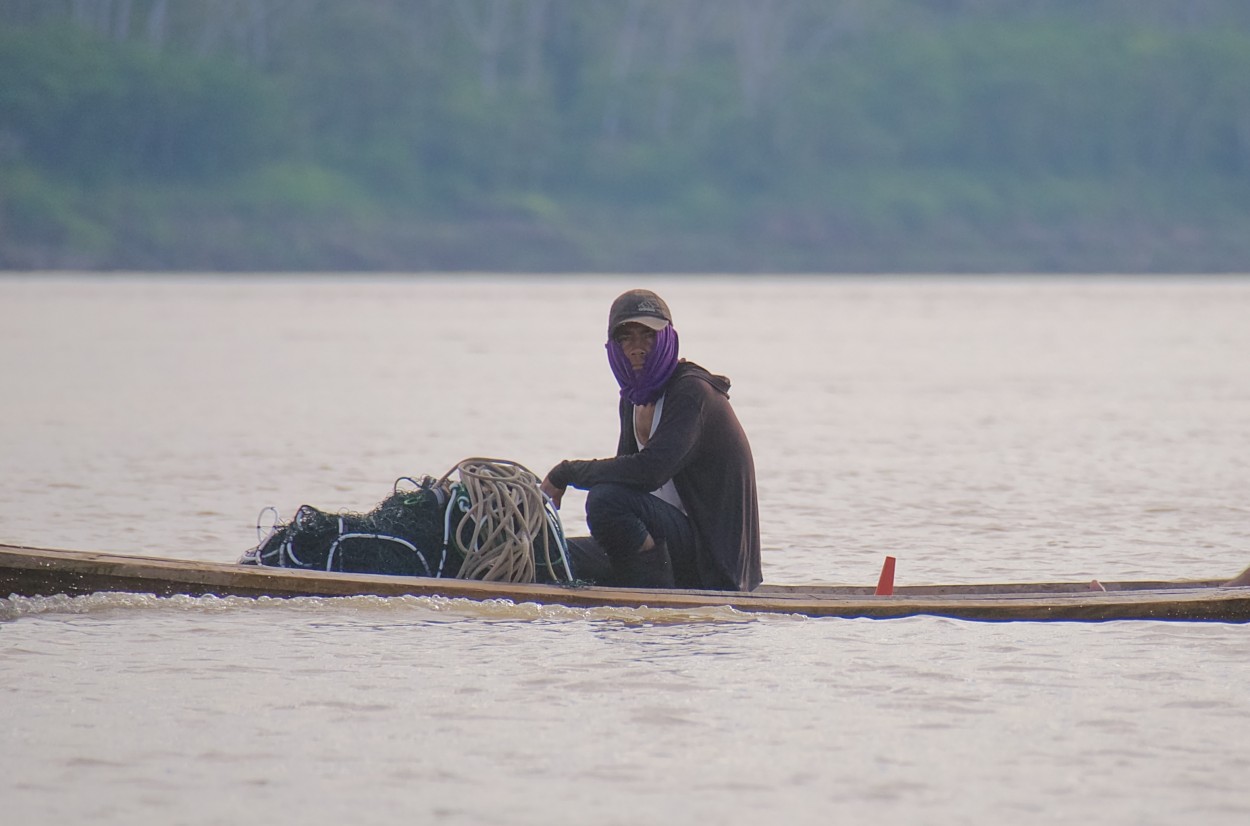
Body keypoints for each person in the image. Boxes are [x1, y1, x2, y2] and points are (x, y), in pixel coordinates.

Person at [540, 289, 761, 591]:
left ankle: (648, 597)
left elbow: (649, 472)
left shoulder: (692, 392)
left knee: (606, 500)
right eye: (626, 338)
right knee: (549, 556)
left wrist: (566, 472)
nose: (637, 348)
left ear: (668, 338)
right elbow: (625, 474)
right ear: (613, 347)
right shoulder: (632, 399)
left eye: (648, 336)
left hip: (714, 565)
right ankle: (639, 581)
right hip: (667, 546)